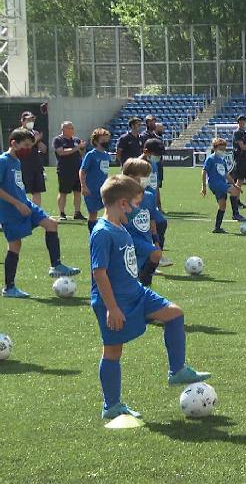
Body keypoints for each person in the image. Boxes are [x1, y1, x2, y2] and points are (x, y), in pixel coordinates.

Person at [90, 174, 210, 421]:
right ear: (122, 203)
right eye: (134, 204)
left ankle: (177, 370)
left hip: (137, 293)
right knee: (113, 351)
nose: (137, 209)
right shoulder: (102, 233)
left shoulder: (119, 226)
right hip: (115, 301)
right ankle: (111, 405)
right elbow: (99, 273)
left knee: (174, 313)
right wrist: (112, 308)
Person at [0, 128, 80, 298]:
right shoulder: (3, 161)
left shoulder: (17, 161)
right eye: (26, 145)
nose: (29, 149)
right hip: (10, 210)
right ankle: (9, 288)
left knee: (51, 224)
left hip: (25, 204)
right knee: (15, 245)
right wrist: (16, 203)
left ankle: (56, 265)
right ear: (14, 143)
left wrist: (22, 202)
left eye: (31, 145)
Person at [119, 159, 163, 287]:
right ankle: (144, 283)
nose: (146, 179)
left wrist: (156, 240)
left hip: (145, 239)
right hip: (129, 240)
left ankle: (141, 286)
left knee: (132, 275)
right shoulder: (121, 196)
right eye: (144, 176)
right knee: (155, 254)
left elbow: (151, 220)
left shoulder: (149, 196)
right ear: (131, 177)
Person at [201, 138, 246, 233]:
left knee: (222, 205)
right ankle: (235, 213)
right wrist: (204, 187)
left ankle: (217, 228)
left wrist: (234, 184)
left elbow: (226, 175)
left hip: (222, 183)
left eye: (224, 149)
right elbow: (204, 171)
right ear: (215, 148)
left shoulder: (222, 160)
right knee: (234, 192)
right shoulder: (210, 159)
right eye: (220, 148)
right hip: (215, 183)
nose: (222, 151)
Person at [141, 139, 172, 268]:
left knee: (161, 224)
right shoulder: (139, 165)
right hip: (142, 204)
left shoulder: (153, 165)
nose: (158, 157)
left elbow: (155, 185)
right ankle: (151, 260)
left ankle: (156, 257)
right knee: (149, 231)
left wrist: (159, 203)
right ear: (146, 151)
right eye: (156, 154)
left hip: (152, 204)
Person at [80, 128, 112, 234]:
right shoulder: (91, 155)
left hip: (104, 189)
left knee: (111, 209)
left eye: (107, 140)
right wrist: (83, 186)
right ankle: (93, 234)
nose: (106, 142)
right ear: (96, 141)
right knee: (93, 214)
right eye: (103, 140)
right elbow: (82, 171)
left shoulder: (106, 155)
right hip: (91, 189)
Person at [53, 121, 86, 220]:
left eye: (72, 128)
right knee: (63, 192)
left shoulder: (76, 140)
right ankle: (62, 213)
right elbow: (61, 152)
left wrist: (81, 148)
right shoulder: (58, 140)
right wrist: (77, 148)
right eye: (69, 128)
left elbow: (80, 152)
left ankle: (77, 212)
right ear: (63, 129)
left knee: (77, 192)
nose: (72, 130)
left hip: (77, 169)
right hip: (65, 170)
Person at [17, 111, 47, 206]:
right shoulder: (19, 133)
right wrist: (36, 139)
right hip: (24, 166)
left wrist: (39, 141)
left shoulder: (35, 133)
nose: (31, 122)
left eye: (32, 120)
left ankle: (36, 212)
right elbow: (24, 147)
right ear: (22, 121)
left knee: (37, 190)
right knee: (23, 190)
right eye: (29, 120)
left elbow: (43, 149)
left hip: (36, 165)